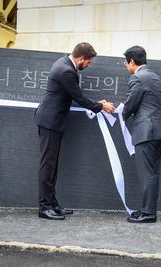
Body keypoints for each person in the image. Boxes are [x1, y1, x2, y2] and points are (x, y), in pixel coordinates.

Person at [34, 42, 115, 220]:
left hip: (53, 121)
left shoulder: (65, 63)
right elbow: (78, 97)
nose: (89, 65)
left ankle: (53, 205)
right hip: (50, 122)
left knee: (52, 167)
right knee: (47, 166)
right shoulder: (66, 71)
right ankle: (44, 207)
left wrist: (98, 104)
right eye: (89, 62)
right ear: (80, 58)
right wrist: (102, 106)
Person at [122, 46, 161, 223]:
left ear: (132, 61)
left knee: (146, 173)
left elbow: (131, 104)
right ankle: (149, 210)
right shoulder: (155, 77)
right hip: (160, 130)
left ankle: (148, 214)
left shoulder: (137, 78)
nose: (126, 67)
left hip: (146, 131)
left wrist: (120, 114)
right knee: (153, 173)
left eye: (126, 63)